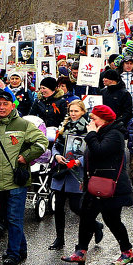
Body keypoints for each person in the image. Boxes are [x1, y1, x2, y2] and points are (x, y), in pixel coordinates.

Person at [0, 89, 47, 265]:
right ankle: (21, 249)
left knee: (14, 218)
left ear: (12, 105)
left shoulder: (23, 124)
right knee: (8, 217)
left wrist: (26, 157)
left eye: (5, 103)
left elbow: (41, 142)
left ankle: (12, 255)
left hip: (17, 181)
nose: (1, 107)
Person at [60, 105, 133, 265]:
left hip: (111, 187)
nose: (91, 121)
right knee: (86, 218)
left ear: (104, 119)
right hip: (94, 185)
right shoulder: (101, 132)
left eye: (94, 118)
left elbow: (99, 151)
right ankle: (80, 252)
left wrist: (92, 133)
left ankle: (127, 252)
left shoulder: (115, 135)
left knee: (112, 221)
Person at [46, 100, 98, 250]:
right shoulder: (64, 126)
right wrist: (56, 156)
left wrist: (79, 161)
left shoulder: (88, 128)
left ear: (83, 112)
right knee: (59, 206)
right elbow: (56, 145)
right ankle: (59, 239)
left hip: (76, 173)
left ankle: (95, 225)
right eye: (71, 111)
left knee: (76, 206)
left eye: (76, 111)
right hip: (61, 170)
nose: (73, 114)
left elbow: (92, 150)